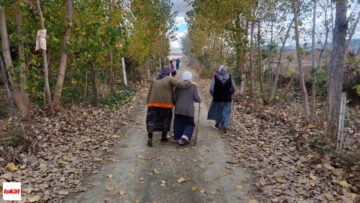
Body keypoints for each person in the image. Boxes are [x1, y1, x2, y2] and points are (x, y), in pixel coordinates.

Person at [146, 66, 196, 147]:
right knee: (166, 120)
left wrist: (148, 102)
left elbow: (149, 92)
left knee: (151, 120)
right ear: (168, 72)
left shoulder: (155, 80)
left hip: (152, 104)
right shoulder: (170, 79)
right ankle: (163, 137)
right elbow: (179, 84)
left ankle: (150, 137)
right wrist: (189, 82)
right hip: (166, 104)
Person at [173, 71, 201, 145]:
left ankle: (179, 138)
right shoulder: (193, 86)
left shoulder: (179, 86)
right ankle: (185, 136)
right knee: (189, 124)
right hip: (189, 110)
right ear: (190, 78)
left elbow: (174, 97)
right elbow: (196, 98)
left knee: (178, 123)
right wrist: (199, 100)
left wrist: (175, 104)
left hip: (179, 110)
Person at [207, 65, 236, 134]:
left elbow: (211, 89)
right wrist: (230, 94)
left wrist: (213, 95)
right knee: (226, 112)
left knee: (218, 111)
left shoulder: (216, 77)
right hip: (227, 98)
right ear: (226, 70)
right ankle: (225, 128)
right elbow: (234, 88)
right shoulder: (230, 77)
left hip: (217, 97)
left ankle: (217, 125)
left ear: (219, 70)